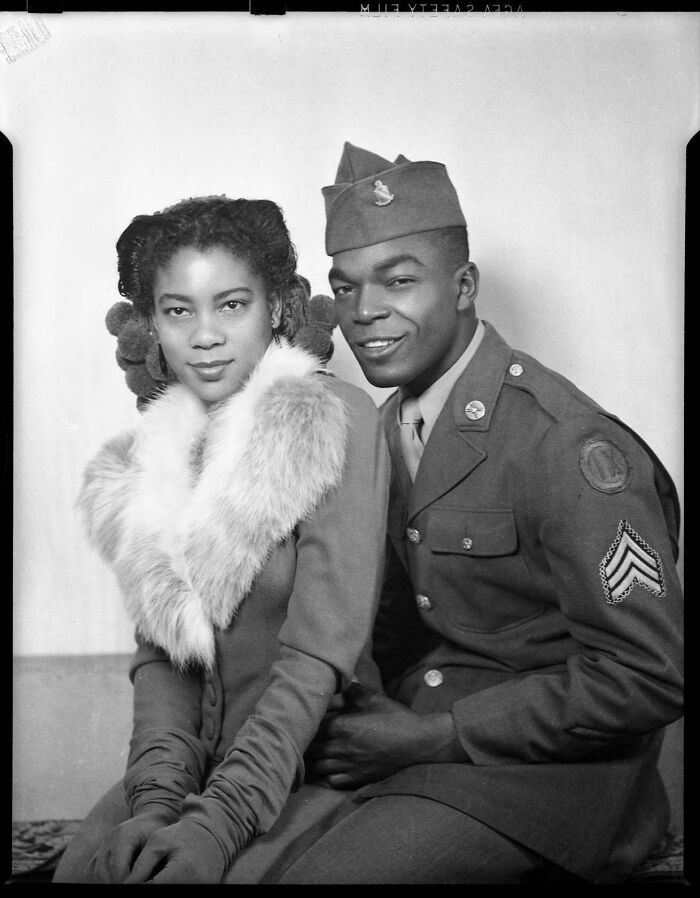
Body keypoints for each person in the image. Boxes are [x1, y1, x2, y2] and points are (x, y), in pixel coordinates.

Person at [263, 143, 684, 884]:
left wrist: (438, 737)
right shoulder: (380, 425)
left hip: (548, 776)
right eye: (346, 287)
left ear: (463, 286)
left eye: (398, 282)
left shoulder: (567, 444)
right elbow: (395, 615)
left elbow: (652, 675)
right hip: (411, 730)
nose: (365, 313)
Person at [53, 195, 390, 883]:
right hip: (192, 768)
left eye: (231, 305)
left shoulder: (333, 422)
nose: (204, 335)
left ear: (277, 309)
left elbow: (316, 662)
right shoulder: (156, 452)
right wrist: (154, 802)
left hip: (309, 767)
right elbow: (163, 660)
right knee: (90, 869)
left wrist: (219, 822)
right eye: (179, 310)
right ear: (152, 323)